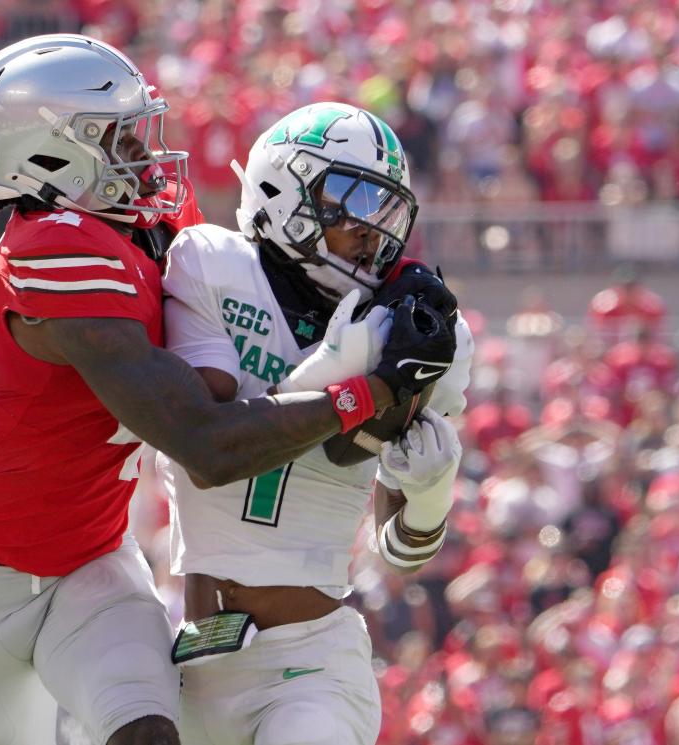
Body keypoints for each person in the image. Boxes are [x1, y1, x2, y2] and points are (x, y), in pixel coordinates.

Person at [0, 37, 454, 745]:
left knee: (147, 733)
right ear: (46, 155)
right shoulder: (52, 250)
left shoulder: (150, 223)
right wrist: (368, 391)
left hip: (90, 562)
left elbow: (245, 319)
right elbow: (205, 440)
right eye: (118, 135)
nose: (143, 150)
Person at [154, 102, 473, 745]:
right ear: (283, 184)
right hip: (190, 657)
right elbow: (210, 447)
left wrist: (432, 491)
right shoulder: (212, 262)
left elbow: (402, 549)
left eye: (383, 209)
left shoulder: (415, 329)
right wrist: (334, 380)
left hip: (312, 665)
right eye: (351, 197)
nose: (370, 229)